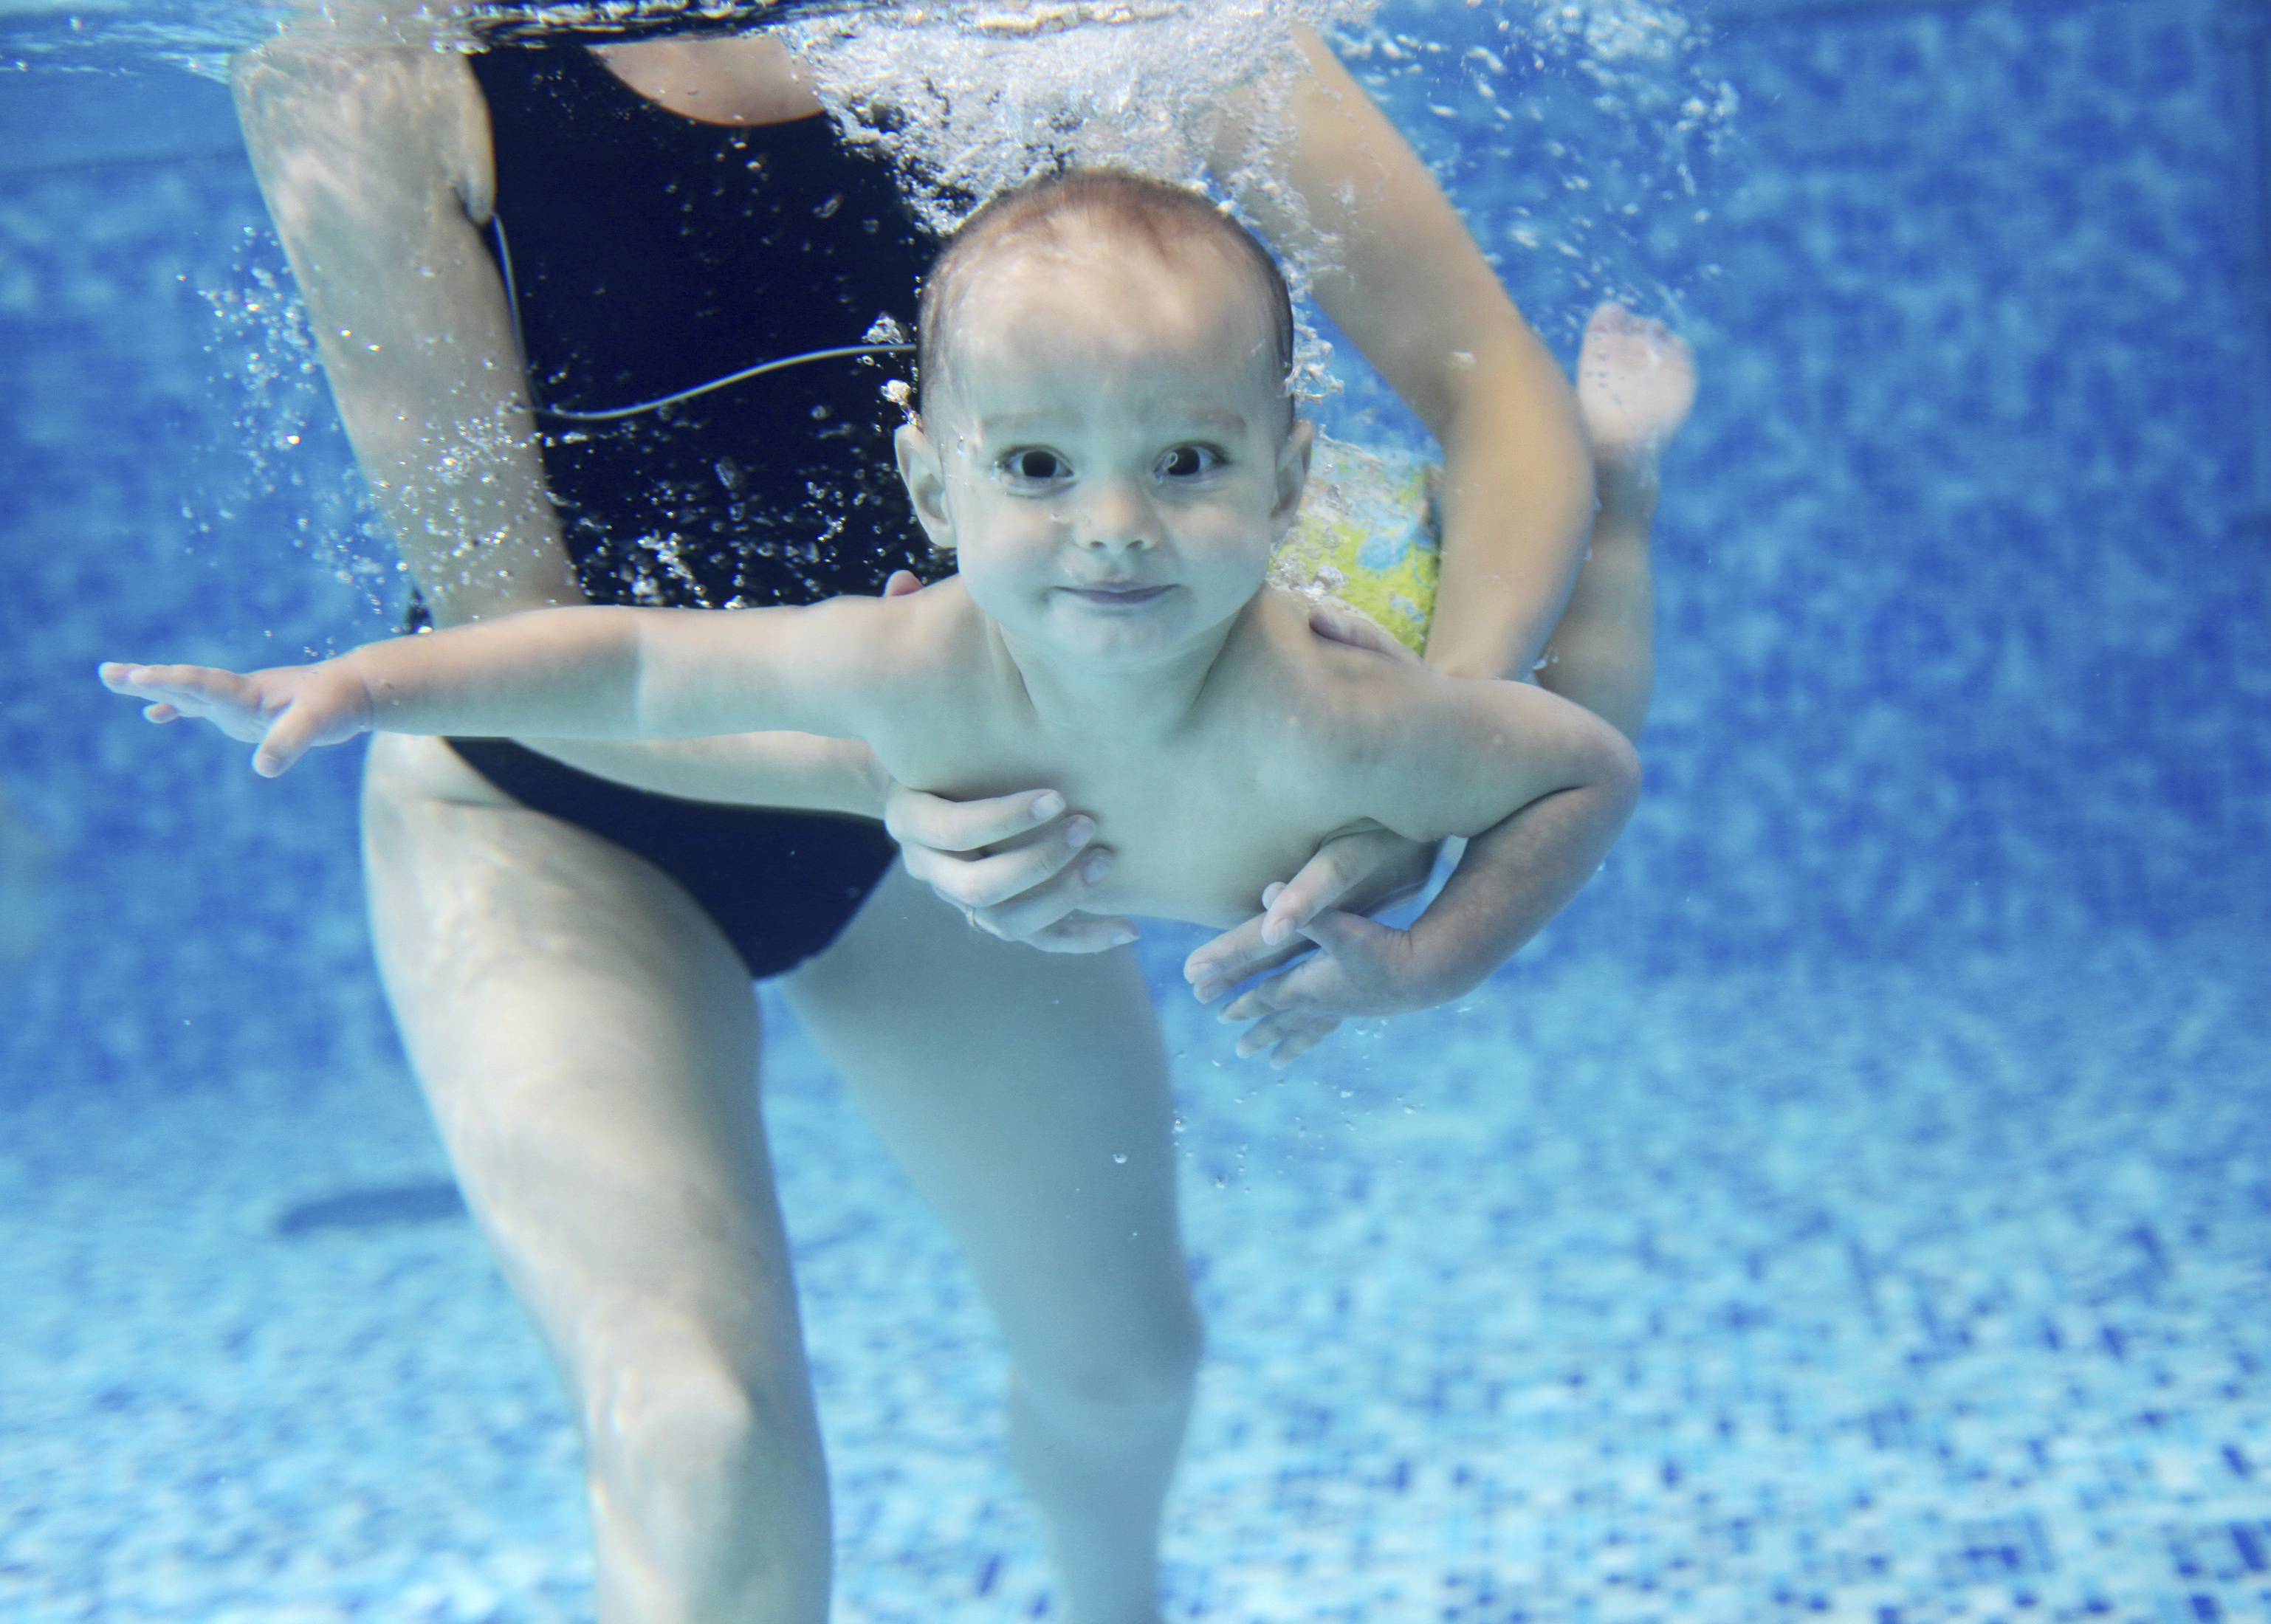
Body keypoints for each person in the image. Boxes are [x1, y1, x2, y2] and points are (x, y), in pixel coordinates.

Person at [216, 9, 1651, 1622]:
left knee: (1124, 1367)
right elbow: (517, 644)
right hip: (559, 814)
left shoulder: (1108, 18)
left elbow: (1495, 400)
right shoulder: (369, 67)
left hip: (980, 796)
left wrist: (1402, 755)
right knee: (695, 1423)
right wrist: (877, 776)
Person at [106, 168, 1672, 1010]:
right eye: (1039, 470)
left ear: (1275, 474)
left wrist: (1421, 961)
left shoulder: (1349, 713)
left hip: (1358, 589)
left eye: (1185, 464)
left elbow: (1588, 773)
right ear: (933, 490)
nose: (1111, 529)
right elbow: (636, 670)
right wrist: (363, 683)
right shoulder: (911, 660)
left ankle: (1631, 479)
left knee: (1568, 677)